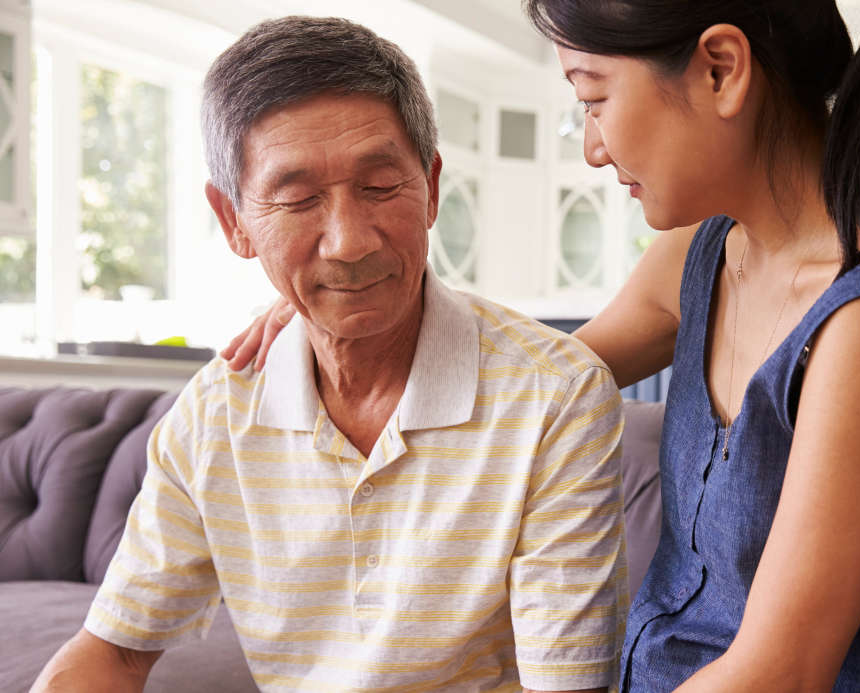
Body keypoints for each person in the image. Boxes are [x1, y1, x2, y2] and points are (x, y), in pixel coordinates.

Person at [226, 1, 860, 690]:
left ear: (720, 70)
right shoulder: (704, 255)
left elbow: (781, 674)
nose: (592, 149)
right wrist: (340, 311)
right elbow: (527, 379)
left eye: (593, 99)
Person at [33, 16, 625, 693]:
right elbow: (110, 652)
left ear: (431, 187)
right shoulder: (214, 415)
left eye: (379, 187)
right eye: (297, 199)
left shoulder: (556, 396)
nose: (348, 241)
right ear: (234, 222)